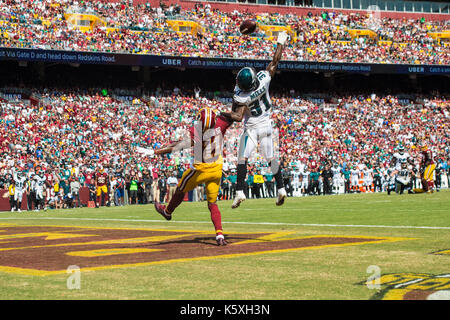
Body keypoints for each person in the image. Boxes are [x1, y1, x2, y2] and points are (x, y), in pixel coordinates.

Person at [221, 31, 290, 209]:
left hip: (251, 129)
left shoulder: (242, 96)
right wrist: (280, 42)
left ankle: (239, 192)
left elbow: (236, 117)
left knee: (242, 158)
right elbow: (274, 62)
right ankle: (281, 188)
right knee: (271, 159)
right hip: (267, 125)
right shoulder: (263, 79)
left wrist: (222, 113)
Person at [153, 107, 234, 246]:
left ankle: (167, 212)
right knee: (212, 204)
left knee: (180, 189)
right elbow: (236, 115)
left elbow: (176, 146)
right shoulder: (221, 123)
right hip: (216, 169)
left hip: (200, 169)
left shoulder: (197, 132)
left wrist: (156, 152)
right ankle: (219, 234)